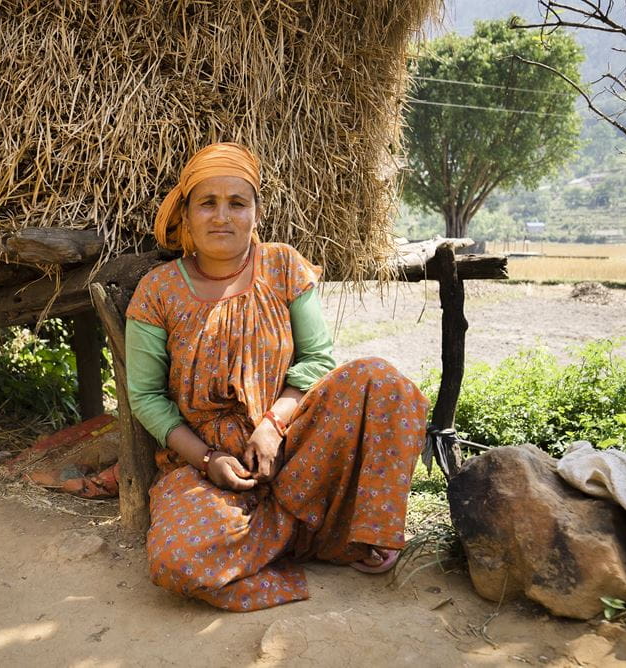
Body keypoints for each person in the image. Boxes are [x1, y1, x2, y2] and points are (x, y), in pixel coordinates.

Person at [125, 142, 428, 611]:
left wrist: (272, 425)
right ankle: (310, 539)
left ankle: (313, 532)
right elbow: (145, 396)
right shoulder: (158, 290)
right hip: (206, 466)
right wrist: (208, 461)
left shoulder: (283, 265)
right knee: (178, 562)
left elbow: (317, 359)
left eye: (237, 203)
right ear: (186, 215)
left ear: (256, 213)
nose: (222, 216)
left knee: (382, 380)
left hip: (292, 444)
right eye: (207, 203)